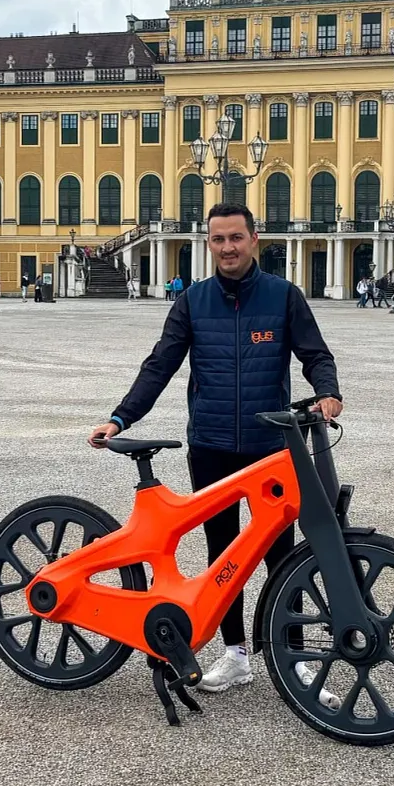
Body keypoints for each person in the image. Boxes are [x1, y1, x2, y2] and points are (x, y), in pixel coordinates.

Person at [87, 202, 342, 701]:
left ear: (254, 239)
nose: (228, 247)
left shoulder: (284, 297)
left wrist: (328, 391)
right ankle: (236, 656)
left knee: (278, 556)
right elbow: (159, 364)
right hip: (211, 445)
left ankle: (295, 659)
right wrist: (120, 418)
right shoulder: (192, 301)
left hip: (271, 446)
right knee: (222, 555)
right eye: (219, 239)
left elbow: (316, 354)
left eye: (236, 238)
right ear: (209, 244)